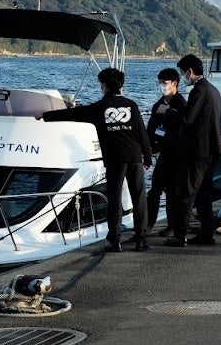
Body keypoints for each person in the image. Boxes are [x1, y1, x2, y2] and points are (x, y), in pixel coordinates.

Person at [42, 67, 152, 252]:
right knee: (139, 197)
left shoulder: (100, 107)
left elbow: (73, 114)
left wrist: (46, 116)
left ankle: (114, 240)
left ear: (104, 86)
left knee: (114, 198)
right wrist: (147, 157)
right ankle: (141, 239)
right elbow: (141, 132)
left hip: (115, 158)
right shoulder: (131, 105)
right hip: (134, 156)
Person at [165, 54, 221, 248]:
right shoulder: (213, 90)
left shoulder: (198, 91)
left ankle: (180, 235)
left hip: (199, 149)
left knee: (188, 192)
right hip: (214, 147)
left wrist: (168, 113)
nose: (183, 76)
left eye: (183, 72)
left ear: (190, 71)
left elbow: (187, 118)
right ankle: (207, 234)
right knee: (204, 193)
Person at [145, 68, 186, 238]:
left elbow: (181, 128)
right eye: (160, 82)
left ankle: (172, 225)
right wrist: (148, 148)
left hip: (177, 154)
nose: (162, 85)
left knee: (173, 192)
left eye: (165, 82)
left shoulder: (181, 104)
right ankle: (148, 224)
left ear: (174, 83)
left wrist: (167, 115)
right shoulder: (158, 104)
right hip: (163, 153)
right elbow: (152, 128)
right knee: (155, 190)